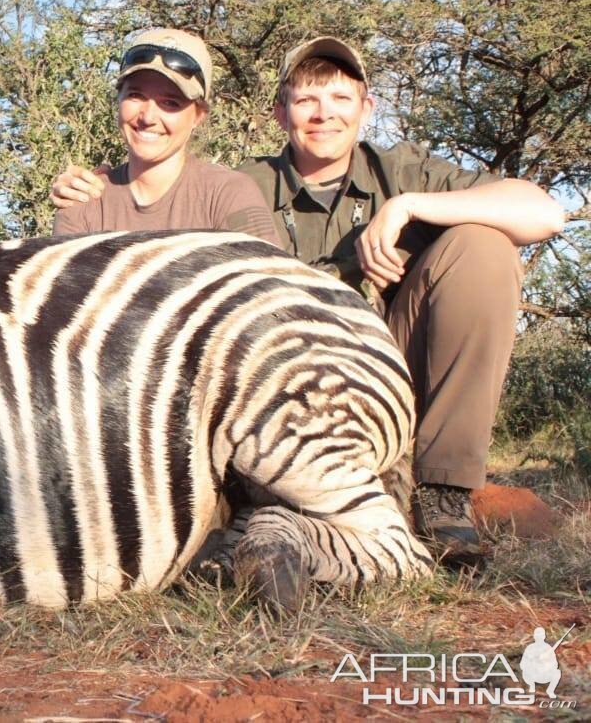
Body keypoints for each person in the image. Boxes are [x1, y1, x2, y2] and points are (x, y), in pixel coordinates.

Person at [52, 36, 565, 564]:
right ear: (280, 113)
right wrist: (90, 190)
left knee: (481, 245)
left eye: (341, 100)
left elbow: (544, 214)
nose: (324, 115)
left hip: (386, 379)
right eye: (306, 101)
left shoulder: (404, 172)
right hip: (277, 396)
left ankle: (443, 492)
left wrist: (408, 207)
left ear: (367, 108)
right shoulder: (240, 186)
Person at [51, 27, 280, 246]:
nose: (148, 117)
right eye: (136, 95)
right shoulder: (83, 202)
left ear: (198, 116)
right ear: (118, 100)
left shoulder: (229, 194)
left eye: (170, 103)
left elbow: (269, 281)